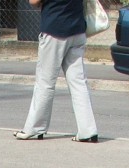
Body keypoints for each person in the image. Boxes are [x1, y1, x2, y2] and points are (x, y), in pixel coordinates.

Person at [15, 0, 99, 143]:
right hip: (77, 29)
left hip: (55, 29)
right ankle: (88, 130)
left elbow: (34, 1)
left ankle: (35, 128)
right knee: (79, 82)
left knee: (45, 82)